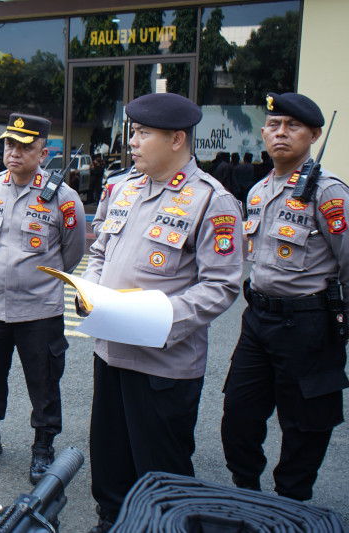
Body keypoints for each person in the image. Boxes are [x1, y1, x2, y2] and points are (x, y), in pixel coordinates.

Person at [81, 93, 243, 532]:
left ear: (176, 139)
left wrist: (158, 317)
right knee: (110, 456)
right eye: (133, 131)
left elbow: (221, 285)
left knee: (161, 470)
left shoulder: (211, 201)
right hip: (111, 353)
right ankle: (111, 521)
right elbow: (99, 250)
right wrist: (90, 289)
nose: (132, 141)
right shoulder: (124, 187)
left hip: (163, 365)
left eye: (143, 133)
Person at [221, 92, 349, 502]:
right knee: (238, 413)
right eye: (274, 125)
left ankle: (292, 502)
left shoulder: (328, 192)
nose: (281, 133)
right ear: (263, 133)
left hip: (308, 323)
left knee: (305, 423)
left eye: (292, 126)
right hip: (258, 320)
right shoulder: (259, 190)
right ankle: (247, 492)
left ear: (313, 135)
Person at [0, 113, 86, 485]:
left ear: (43, 153)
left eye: (25, 146)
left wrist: (35, 280)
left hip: (40, 311)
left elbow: (73, 251)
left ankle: (43, 447)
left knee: (44, 382)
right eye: (9, 144)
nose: (14, 152)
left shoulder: (63, 198)